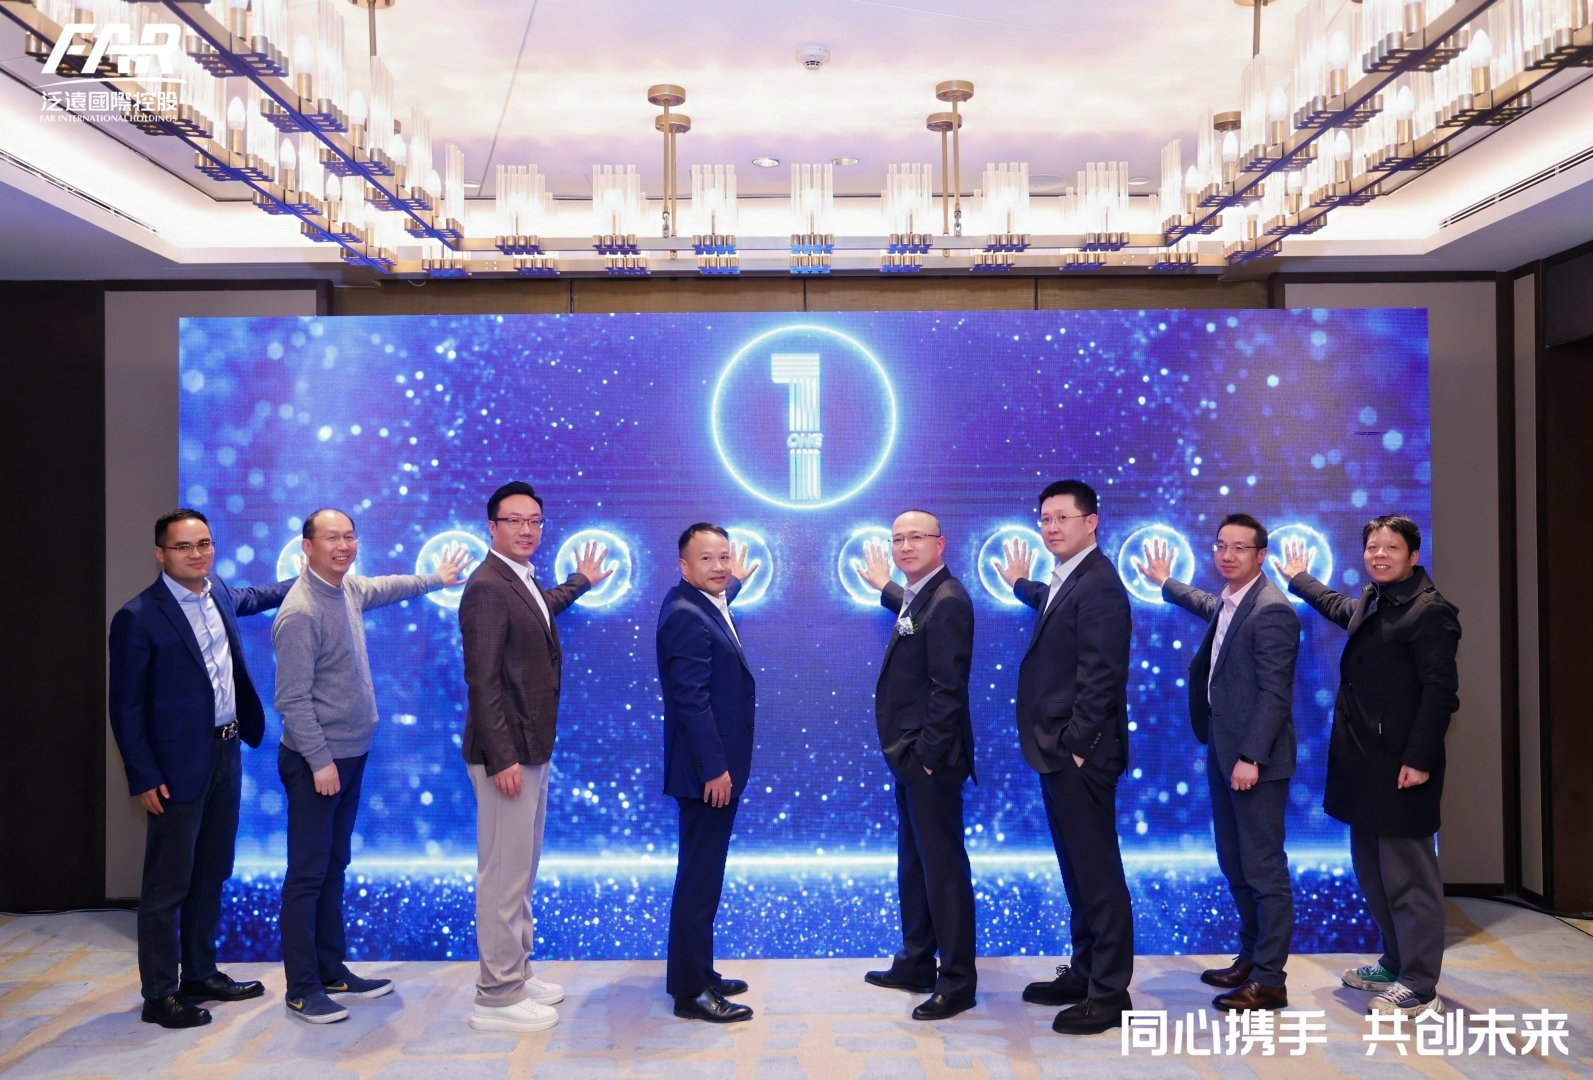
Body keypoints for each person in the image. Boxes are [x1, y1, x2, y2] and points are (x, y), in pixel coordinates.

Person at [272, 507, 471, 1024]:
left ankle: (331, 971)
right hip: (318, 762)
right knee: (307, 875)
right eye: (331, 538)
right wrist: (320, 761)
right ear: (307, 546)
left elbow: (387, 587)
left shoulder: (347, 590)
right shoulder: (300, 611)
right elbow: (291, 701)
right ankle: (302, 988)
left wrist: (435, 579)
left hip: (350, 755)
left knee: (333, 865)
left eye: (350, 536)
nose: (343, 545)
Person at [108, 509, 294, 1028]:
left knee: (212, 871)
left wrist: (308, 575)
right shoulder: (138, 616)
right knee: (167, 885)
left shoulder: (220, 595)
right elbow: (125, 708)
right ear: (160, 554)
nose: (197, 554)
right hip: (173, 769)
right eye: (184, 546)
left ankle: (200, 974)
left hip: (226, 754)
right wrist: (143, 775)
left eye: (205, 543)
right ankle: (159, 995)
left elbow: (256, 596)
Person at [1276, 515, 1460, 1018]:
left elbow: (1441, 695)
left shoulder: (1431, 612)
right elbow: (1342, 609)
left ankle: (1419, 985)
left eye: (1391, 547)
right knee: (1373, 872)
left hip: (1403, 767)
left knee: (1409, 878)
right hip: (1363, 763)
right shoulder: (1376, 599)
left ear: (1413, 556)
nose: (1379, 555)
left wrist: (1419, 760)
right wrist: (1300, 579)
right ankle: (1396, 961)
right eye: (1373, 546)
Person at [459, 480, 611, 1034]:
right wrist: (502, 758)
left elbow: (541, 609)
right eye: (514, 521)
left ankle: (516, 973)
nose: (526, 530)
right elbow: (482, 679)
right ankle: (495, 996)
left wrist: (580, 582)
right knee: (503, 876)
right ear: (492, 527)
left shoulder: (516, 579)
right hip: (507, 754)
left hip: (531, 747)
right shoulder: (485, 586)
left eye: (534, 521)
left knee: (519, 871)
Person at [1135, 514, 1299, 1012]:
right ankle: (1250, 957)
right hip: (1224, 753)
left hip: (1253, 762)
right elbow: (1205, 604)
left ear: (1261, 555)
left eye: (1239, 548)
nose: (1227, 555)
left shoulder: (1272, 609)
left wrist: (1251, 756)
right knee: (1235, 862)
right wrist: (1165, 582)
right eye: (1221, 546)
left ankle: (1269, 980)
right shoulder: (1232, 601)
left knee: (1264, 870)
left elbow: (1275, 694)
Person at [994, 479, 1134, 1035]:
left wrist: (1076, 745)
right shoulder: (1067, 578)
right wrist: (1019, 584)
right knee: (1076, 869)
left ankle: (1110, 992)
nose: (1050, 528)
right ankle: (1085, 970)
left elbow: (1103, 676)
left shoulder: (1099, 583)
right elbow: (1050, 605)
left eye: (1061, 518)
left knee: (1098, 874)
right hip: (1057, 750)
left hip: (1081, 753)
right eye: (1045, 519)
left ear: (1090, 522)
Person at [855, 510, 979, 1021]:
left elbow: (949, 689)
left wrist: (926, 756)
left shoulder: (948, 599)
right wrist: (885, 587)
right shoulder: (921, 595)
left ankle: (958, 981)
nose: (905, 546)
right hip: (910, 758)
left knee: (943, 870)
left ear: (940, 544)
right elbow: (912, 620)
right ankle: (916, 962)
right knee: (915, 864)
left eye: (916, 538)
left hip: (931, 758)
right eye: (898, 539)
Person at [655, 523, 759, 1023]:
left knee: (705, 876)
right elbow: (691, 701)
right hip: (706, 774)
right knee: (698, 881)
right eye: (706, 559)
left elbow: (719, 599)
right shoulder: (685, 616)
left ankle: (698, 971)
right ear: (683, 566)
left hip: (712, 768)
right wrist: (714, 769)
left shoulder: (701, 602)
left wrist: (734, 584)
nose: (719, 567)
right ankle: (691, 992)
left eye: (724, 557)